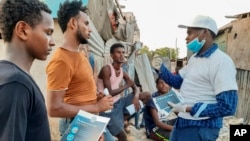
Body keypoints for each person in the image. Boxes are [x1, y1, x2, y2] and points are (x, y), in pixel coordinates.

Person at [152, 15, 238, 141]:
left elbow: (228, 106)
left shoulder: (221, 62)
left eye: (190, 33)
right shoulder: (194, 58)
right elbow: (178, 82)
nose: (186, 38)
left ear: (204, 33)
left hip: (201, 127)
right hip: (183, 122)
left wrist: (187, 108)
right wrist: (161, 69)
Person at [45, 1, 113, 141]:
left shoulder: (80, 56)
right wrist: (96, 107)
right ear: (73, 23)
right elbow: (53, 108)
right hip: (76, 124)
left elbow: (78, 93)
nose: (90, 29)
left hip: (90, 122)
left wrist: (96, 97)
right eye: (86, 24)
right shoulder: (61, 60)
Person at [0, 0, 55, 141]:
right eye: (48, 33)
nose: (53, 42)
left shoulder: (10, 75)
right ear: (23, 30)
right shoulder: (16, 83)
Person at [97, 43, 151, 141]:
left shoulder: (123, 72)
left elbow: (136, 88)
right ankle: (120, 120)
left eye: (123, 52)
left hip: (120, 102)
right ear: (112, 55)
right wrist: (126, 86)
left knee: (147, 96)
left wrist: (135, 97)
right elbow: (109, 93)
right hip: (108, 106)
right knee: (122, 137)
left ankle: (124, 117)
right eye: (118, 52)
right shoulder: (107, 69)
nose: (122, 55)